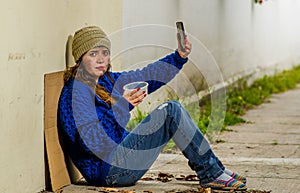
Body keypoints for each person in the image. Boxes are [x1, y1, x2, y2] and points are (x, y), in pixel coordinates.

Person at [57, 25, 247, 191]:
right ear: (80, 59)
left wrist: (178, 57)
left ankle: (215, 170)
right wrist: (122, 106)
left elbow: (147, 75)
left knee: (171, 108)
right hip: (109, 172)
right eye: (93, 54)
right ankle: (211, 172)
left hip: (119, 158)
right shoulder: (76, 94)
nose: (101, 59)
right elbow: (94, 144)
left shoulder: (107, 80)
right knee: (170, 110)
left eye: (104, 53)